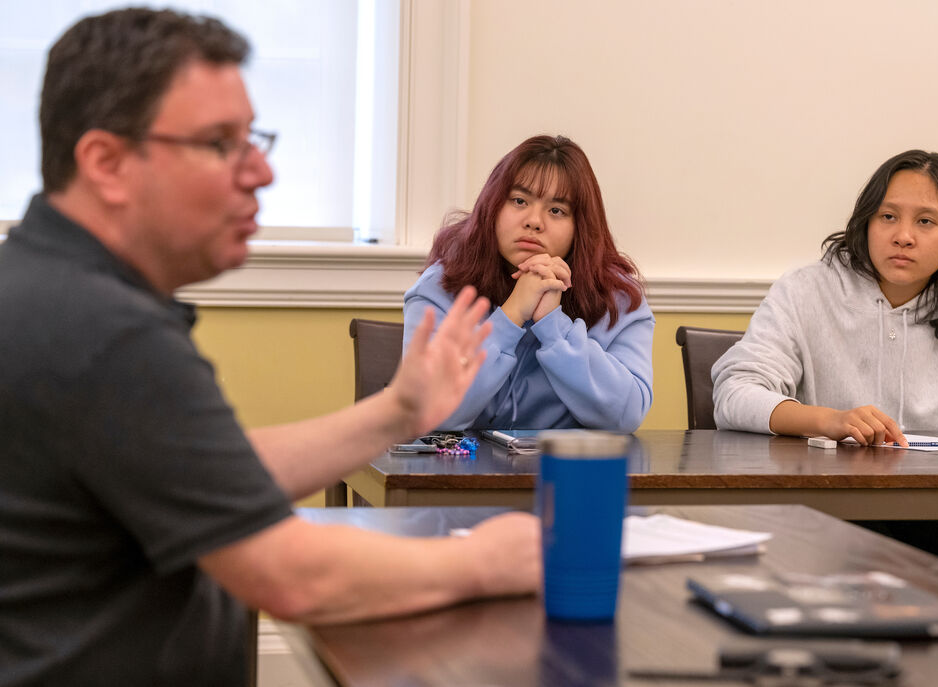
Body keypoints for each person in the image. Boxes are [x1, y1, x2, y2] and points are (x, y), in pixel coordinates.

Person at [0, 9, 539, 685]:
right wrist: (485, 560)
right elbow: (291, 575)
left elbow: (208, 472)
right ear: (106, 162)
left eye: (255, 138)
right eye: (222, 144)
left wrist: (398, 412)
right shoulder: (101, 331)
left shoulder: (47, 286)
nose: (261, 173)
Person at [711, 149, 938, 587]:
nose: (903, 236)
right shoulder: (805, 291)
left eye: (926, 222)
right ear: (865, 223)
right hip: (820, 501)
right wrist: (828, 420)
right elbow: (736, 391)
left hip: (929, 501)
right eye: (888, 217)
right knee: (877, 578)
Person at [403, 135, 654, 432]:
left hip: (568, 474)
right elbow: (425, 411)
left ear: (581, 228)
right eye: (519, 201)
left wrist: (553, 325)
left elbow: (625, 416)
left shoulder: (618, 298)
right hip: (458, 475)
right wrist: (510, 316)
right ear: (493, 207)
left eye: (557, 210)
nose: (534, 221)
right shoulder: (442, 286)